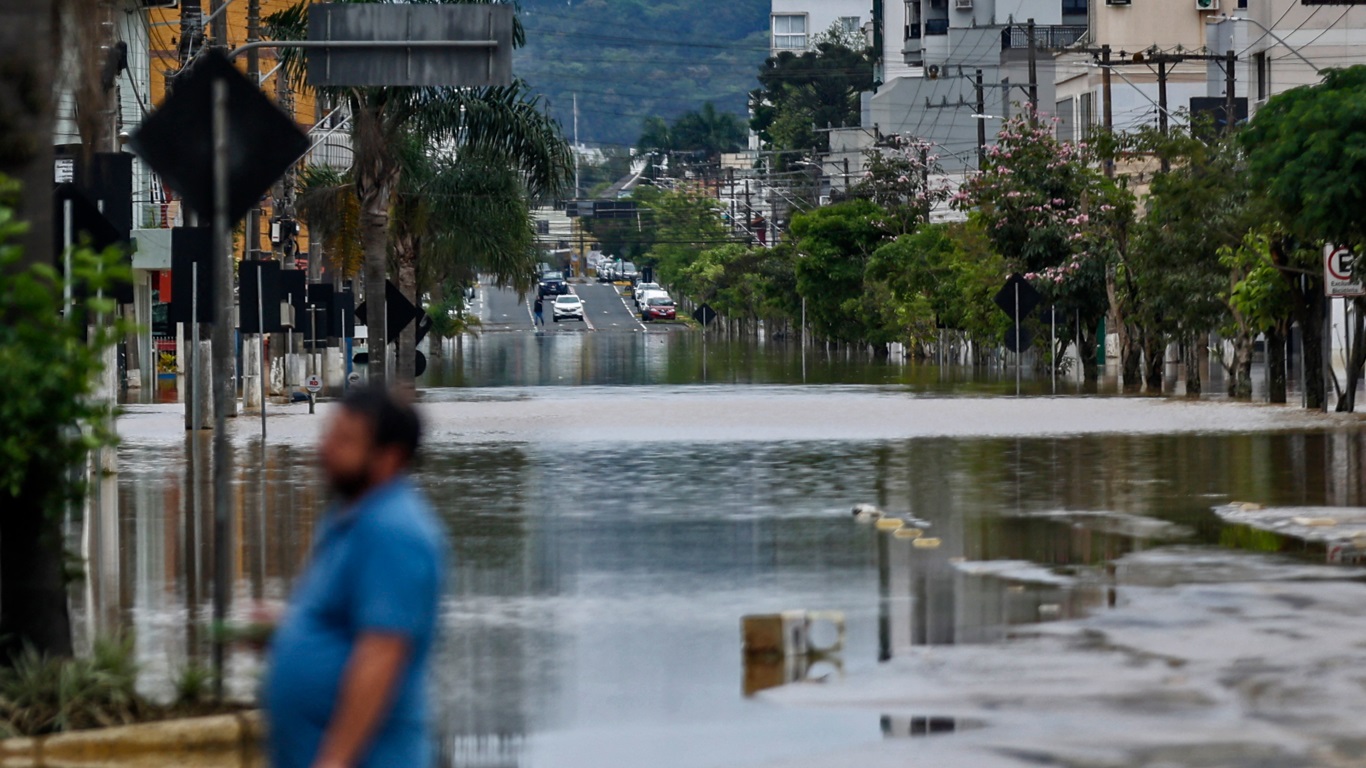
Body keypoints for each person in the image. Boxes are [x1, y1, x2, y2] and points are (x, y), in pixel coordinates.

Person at [264, 387, 447, 768]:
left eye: (345, 441)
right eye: (329, 434)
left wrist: (335, 760)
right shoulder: (352, 515)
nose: (325, 449)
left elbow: (382, 652)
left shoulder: (395, 531)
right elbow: (349, 621)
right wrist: (289, 628)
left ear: (389, 457)